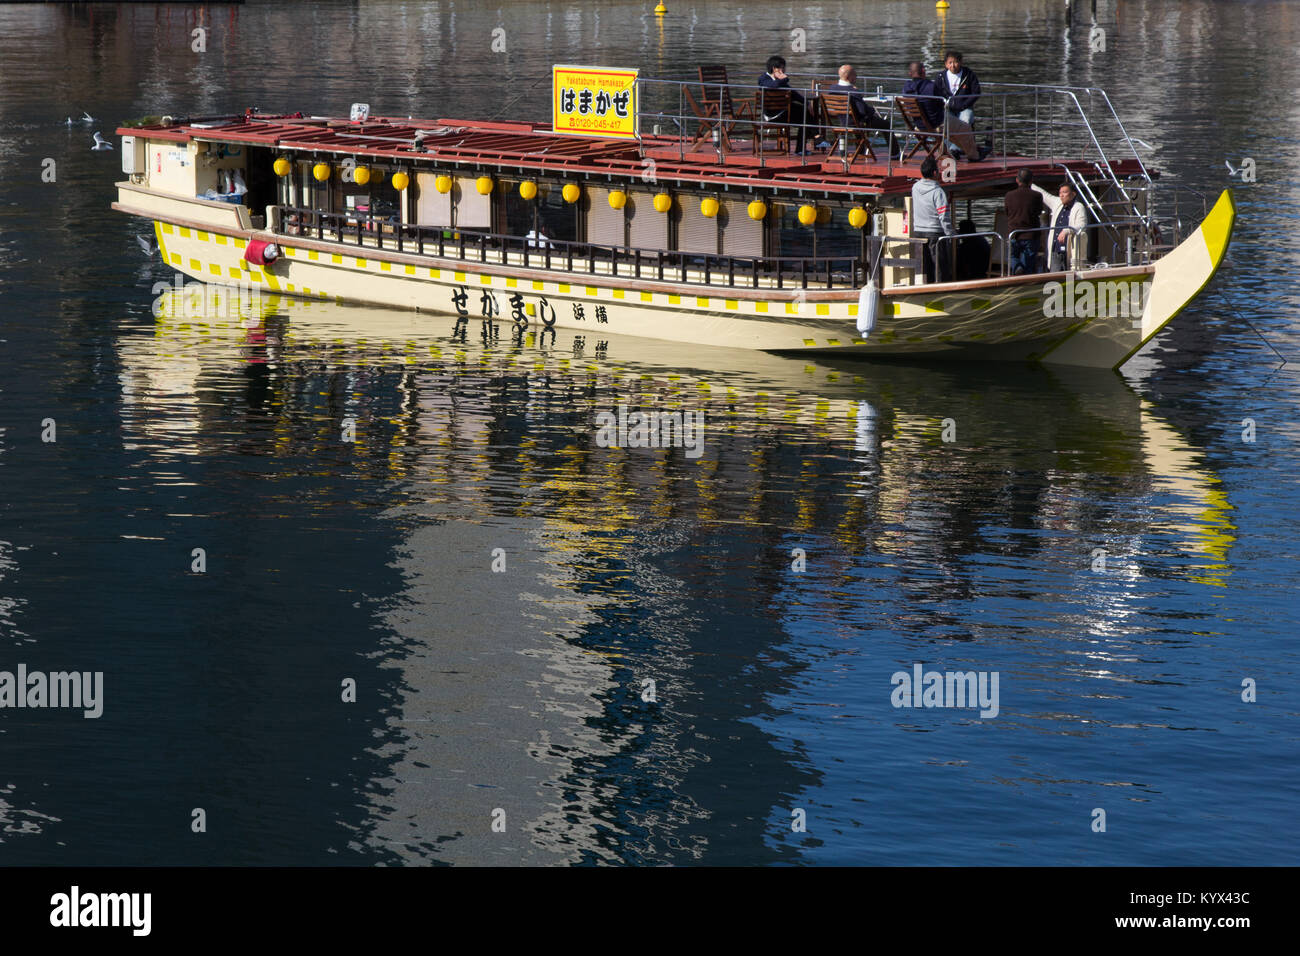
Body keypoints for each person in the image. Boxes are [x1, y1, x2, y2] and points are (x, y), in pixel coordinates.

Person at [903, 60, 975, 159]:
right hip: (936, 124)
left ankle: (949, 151)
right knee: (965, 128)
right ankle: (974, 156)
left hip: (918, 125)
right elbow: (942, 103)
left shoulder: (906, 88)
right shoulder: (930, 87)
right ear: (923, 71)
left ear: (910, 73)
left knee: (953, 131)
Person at [833, 64, 897, 155]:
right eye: (854, 74)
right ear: (849, 77)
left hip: (843, 121)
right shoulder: (853, 91)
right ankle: (895, 154)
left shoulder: (833, 89)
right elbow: (862, 111)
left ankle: (860, 152)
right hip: (857, 123)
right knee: (886, 124)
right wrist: (872, 111)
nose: (856, 77)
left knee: (858, 124)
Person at [911, 156, 954, 283]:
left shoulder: (915, 188)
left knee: (924, 266)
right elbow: (943, 217)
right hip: (935, 233)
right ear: (935, 173)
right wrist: (950, 234)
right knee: (940, 267)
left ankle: (923, 287)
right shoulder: (938, 192)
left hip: (918, 232)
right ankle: (940, 288)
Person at [758, 55, 812, 153]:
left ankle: (801, 149)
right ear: (774, 69)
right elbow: (773, 86)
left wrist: (807, 103)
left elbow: (793, 93)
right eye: (782, 68)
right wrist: (784, 79)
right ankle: (816, 137)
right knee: (805, 117)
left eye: (784, 68)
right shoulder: (763, 79)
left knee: (806, 113)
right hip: (771, 115)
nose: (784, 70)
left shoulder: (781, 81)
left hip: (783, 113)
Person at [937, 51, 984, 160]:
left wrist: (965, 104)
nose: (953, 65)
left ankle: (954, 149)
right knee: (945, 124)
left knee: (965, 120)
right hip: (947, 108)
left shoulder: (969, 74)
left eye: (956, 62)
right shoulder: (941, 76)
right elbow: (937, 92)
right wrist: (943, 103)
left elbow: (976, 92)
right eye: (950, 62)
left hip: (965, 108)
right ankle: (954, 149)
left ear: (961, 62)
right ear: (946, 64)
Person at [1033, 181, 1088, 271]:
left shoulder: (1078, 207)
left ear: (1073, 194)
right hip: (1056, 250)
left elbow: (1082, 225)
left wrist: (1067, 231)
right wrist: (1030, 184)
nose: (1061, 195)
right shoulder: (1057, 203)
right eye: (1060, 193)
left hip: (1069, 250)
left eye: (1064, 192)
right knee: (1054, 278)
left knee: (1069, 278)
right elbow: (1044, 195)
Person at [1004, 168, 1045, 275]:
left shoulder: (1009, 195)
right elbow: (1039, 211)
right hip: (1031, 235)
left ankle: (1017, 267)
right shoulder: (1037, 195)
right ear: (1031, 181)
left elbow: (1007, 212)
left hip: (1014, 234)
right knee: (1029, 264)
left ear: (1017, 180)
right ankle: (1024, 275)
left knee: (1013, 256)